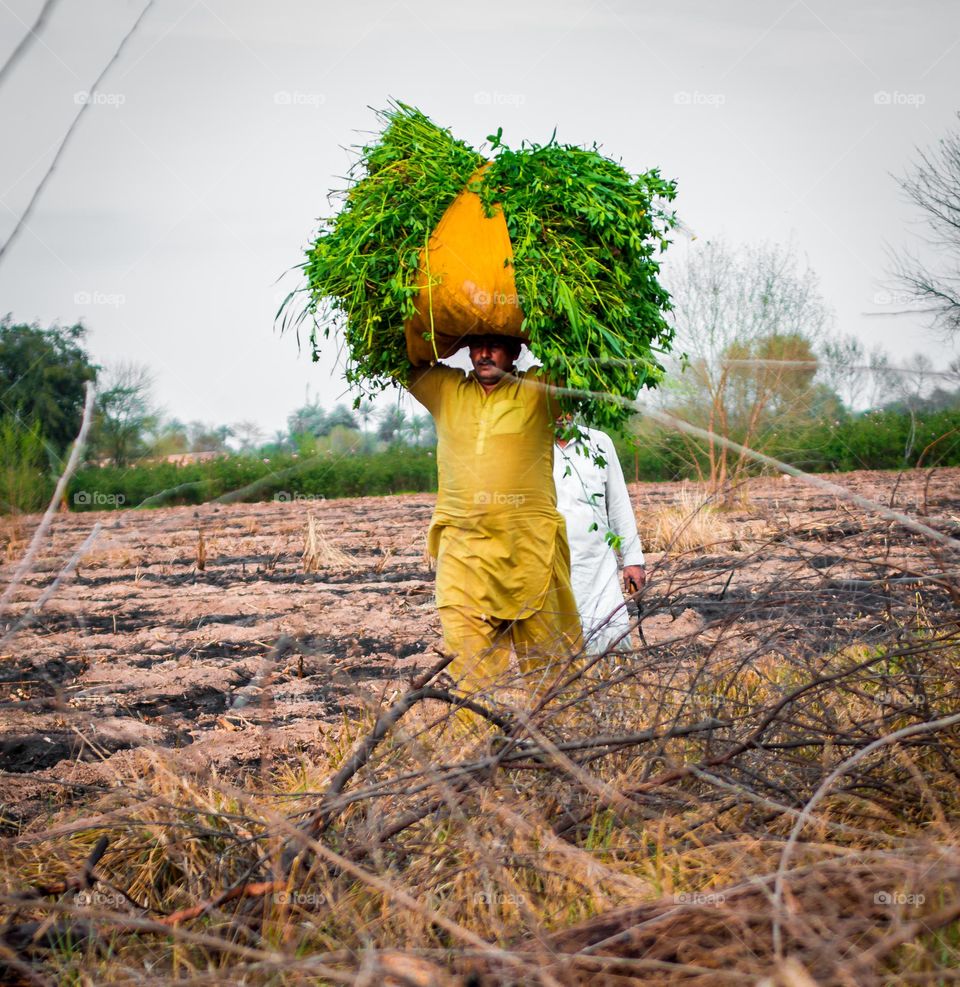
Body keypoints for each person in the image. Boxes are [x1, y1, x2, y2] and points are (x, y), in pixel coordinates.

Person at [405, 334, 582, 699]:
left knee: (553, 672)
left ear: (516, 352)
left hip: (530, 550)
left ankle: (560, 749)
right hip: (463, 550)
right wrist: (449, 338)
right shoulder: (445, 389)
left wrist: (540, 323)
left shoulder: (538, 389)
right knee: (471, 673)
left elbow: (578, 359)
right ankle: (477, 750)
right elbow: (402, 358)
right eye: (476, 345)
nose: (484, 354)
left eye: (495, 345)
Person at [554, 424, 646, 655]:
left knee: (611, 639)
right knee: (557, 645)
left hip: (598, 565)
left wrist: (633, 559)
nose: (560, 413)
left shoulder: (599, 442)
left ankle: (615, 687)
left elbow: (618, 503)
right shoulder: (528, 443)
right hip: (548, 565)